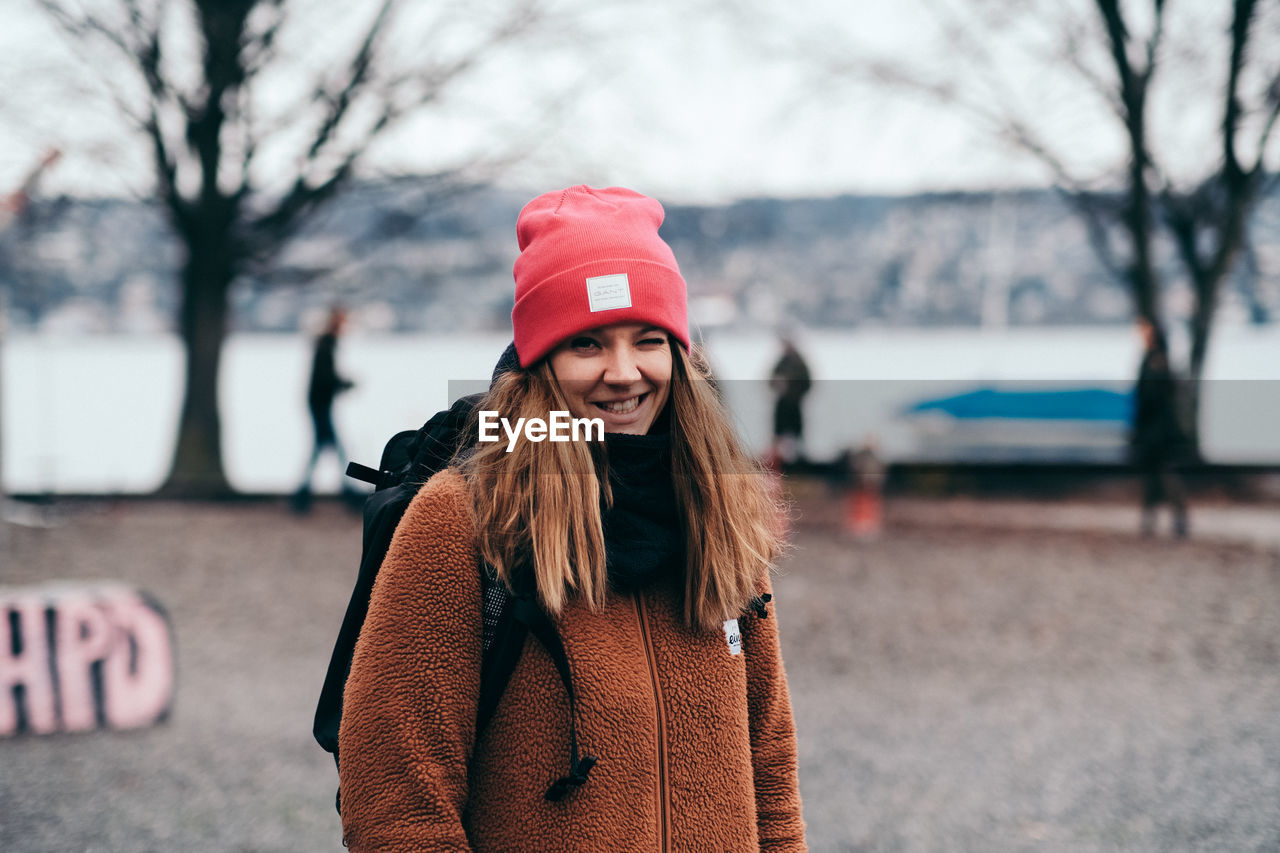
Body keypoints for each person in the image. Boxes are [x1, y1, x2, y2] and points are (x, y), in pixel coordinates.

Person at [338, 186, 807, 851]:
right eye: (587, 344)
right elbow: (396, 798)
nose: (624, 372)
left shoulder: (718, 508)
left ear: (679, 354)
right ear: (541, 361)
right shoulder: (464, 519)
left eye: (648, 340)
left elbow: (771, 777)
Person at [1130, 318, 1189, 538]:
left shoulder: (1158, 361)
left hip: (1159, 431)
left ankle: (1176, 519)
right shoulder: (1151, 359)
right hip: (1152, 430)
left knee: (1164, 474)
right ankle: (1151, 520)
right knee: (1153, 475)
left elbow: (1155, 398)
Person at [293, 306, 356, 512]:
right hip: (320, 406)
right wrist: (344, 384)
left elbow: (323, 378)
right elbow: (324, 378)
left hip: (319, 404)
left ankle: (303, 496)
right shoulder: (326, 345)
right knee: (333, 449)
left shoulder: (325, 344)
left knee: (322, 449)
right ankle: (348, 493)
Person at [769, 335, 812, 467]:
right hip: (782, 406)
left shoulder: (800, 363)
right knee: (779, 438)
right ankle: (779, 463)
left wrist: (792, 389)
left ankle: (796, 466)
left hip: (794, 406)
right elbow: (770, 381)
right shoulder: (781, 362)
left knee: (796, 440)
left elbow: (807, 383)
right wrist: (778, 385)